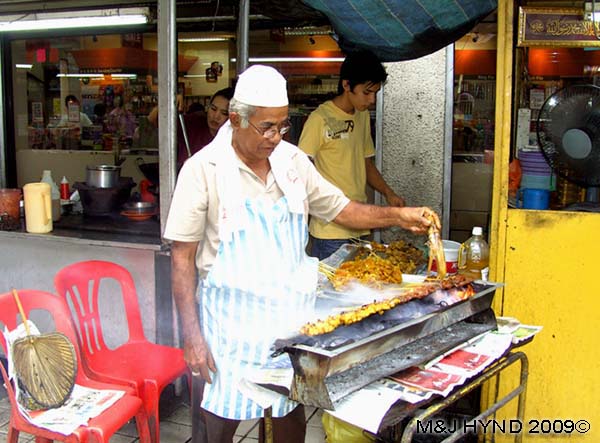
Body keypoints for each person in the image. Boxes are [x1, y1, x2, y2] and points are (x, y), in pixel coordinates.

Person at [164, 64, 440, 443]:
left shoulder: (291, 162)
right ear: (236, 119)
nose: (276, 137)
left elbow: (342, 209)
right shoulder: (203, 170)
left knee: (288, 424)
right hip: (231, 331)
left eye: (283, 126)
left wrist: (397, 215)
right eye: (267, 127)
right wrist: (192, 338)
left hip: (287, 326)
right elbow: (182, 260)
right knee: (219, 428)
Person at [298, 50, 406, 260]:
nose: (372, 99)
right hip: (330, 229)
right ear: (347, 85)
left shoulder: (362, 116)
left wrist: (388, 193)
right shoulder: (319, 119)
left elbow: (366, 162)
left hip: (360, 225)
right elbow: (301, 169)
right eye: (366, 92)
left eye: (375, 92)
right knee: (332, 290)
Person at [148, 87, 234, 171]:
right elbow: (153, 119)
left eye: (224, 113)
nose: (216, 116)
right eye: (213, 109)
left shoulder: (235, 140)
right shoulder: (193, 123)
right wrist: (170, 101)